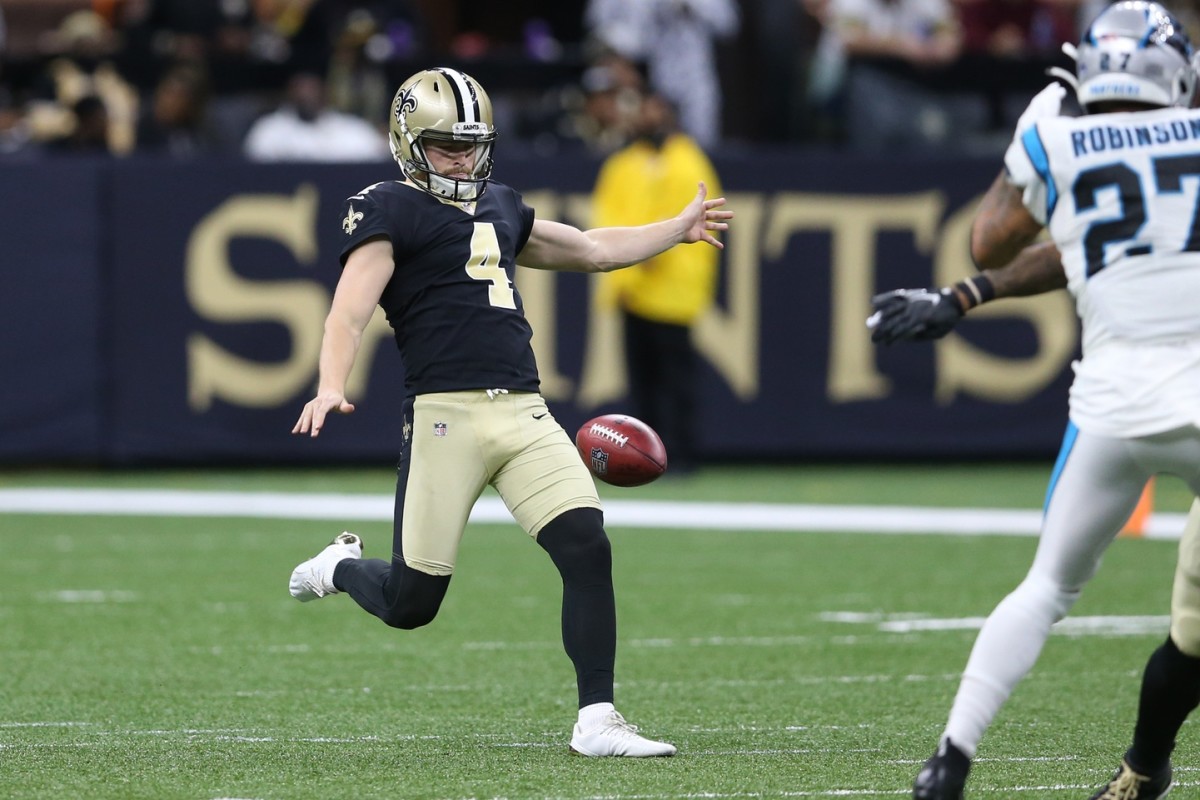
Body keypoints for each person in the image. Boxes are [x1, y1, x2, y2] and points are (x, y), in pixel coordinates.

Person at [288, 67, 732, 757]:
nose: (462, 157)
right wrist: (328, 383)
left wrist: (674, 229)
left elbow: (589, 249)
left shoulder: (501, 204)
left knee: (587, 545)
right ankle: (339, 568)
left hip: (524, 411)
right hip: (445, 417)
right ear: (408, 141)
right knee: (413, 604)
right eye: (444, 144)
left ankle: (598, 718)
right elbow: (348, 311)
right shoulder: (387, 206)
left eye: (471, 143)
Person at [868, 3, 1200, 797]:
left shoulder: (1056, 131)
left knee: (1044, 586)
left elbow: (994, 240)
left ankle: (949, 757)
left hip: (1113, 411)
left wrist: (964, 292)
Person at [592, 90, 722, 475]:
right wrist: (626, 270)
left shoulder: (687, 164)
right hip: (632, 289)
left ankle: (682, 454)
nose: (642, 118)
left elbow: (694, 225)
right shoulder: (624, 164)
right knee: (642, 382)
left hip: (670, 292)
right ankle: (645, 456)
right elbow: (606, 215)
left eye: (651, 110)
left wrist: (649, 257)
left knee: (675, 379)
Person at [243, 70, 389, 162]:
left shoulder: (352, 129)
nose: (306, 95)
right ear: (289, 93)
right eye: (300, 89)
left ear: (325, 92)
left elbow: (377, 158)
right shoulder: (268, 129)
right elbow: (256, 168)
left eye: (312, 89)